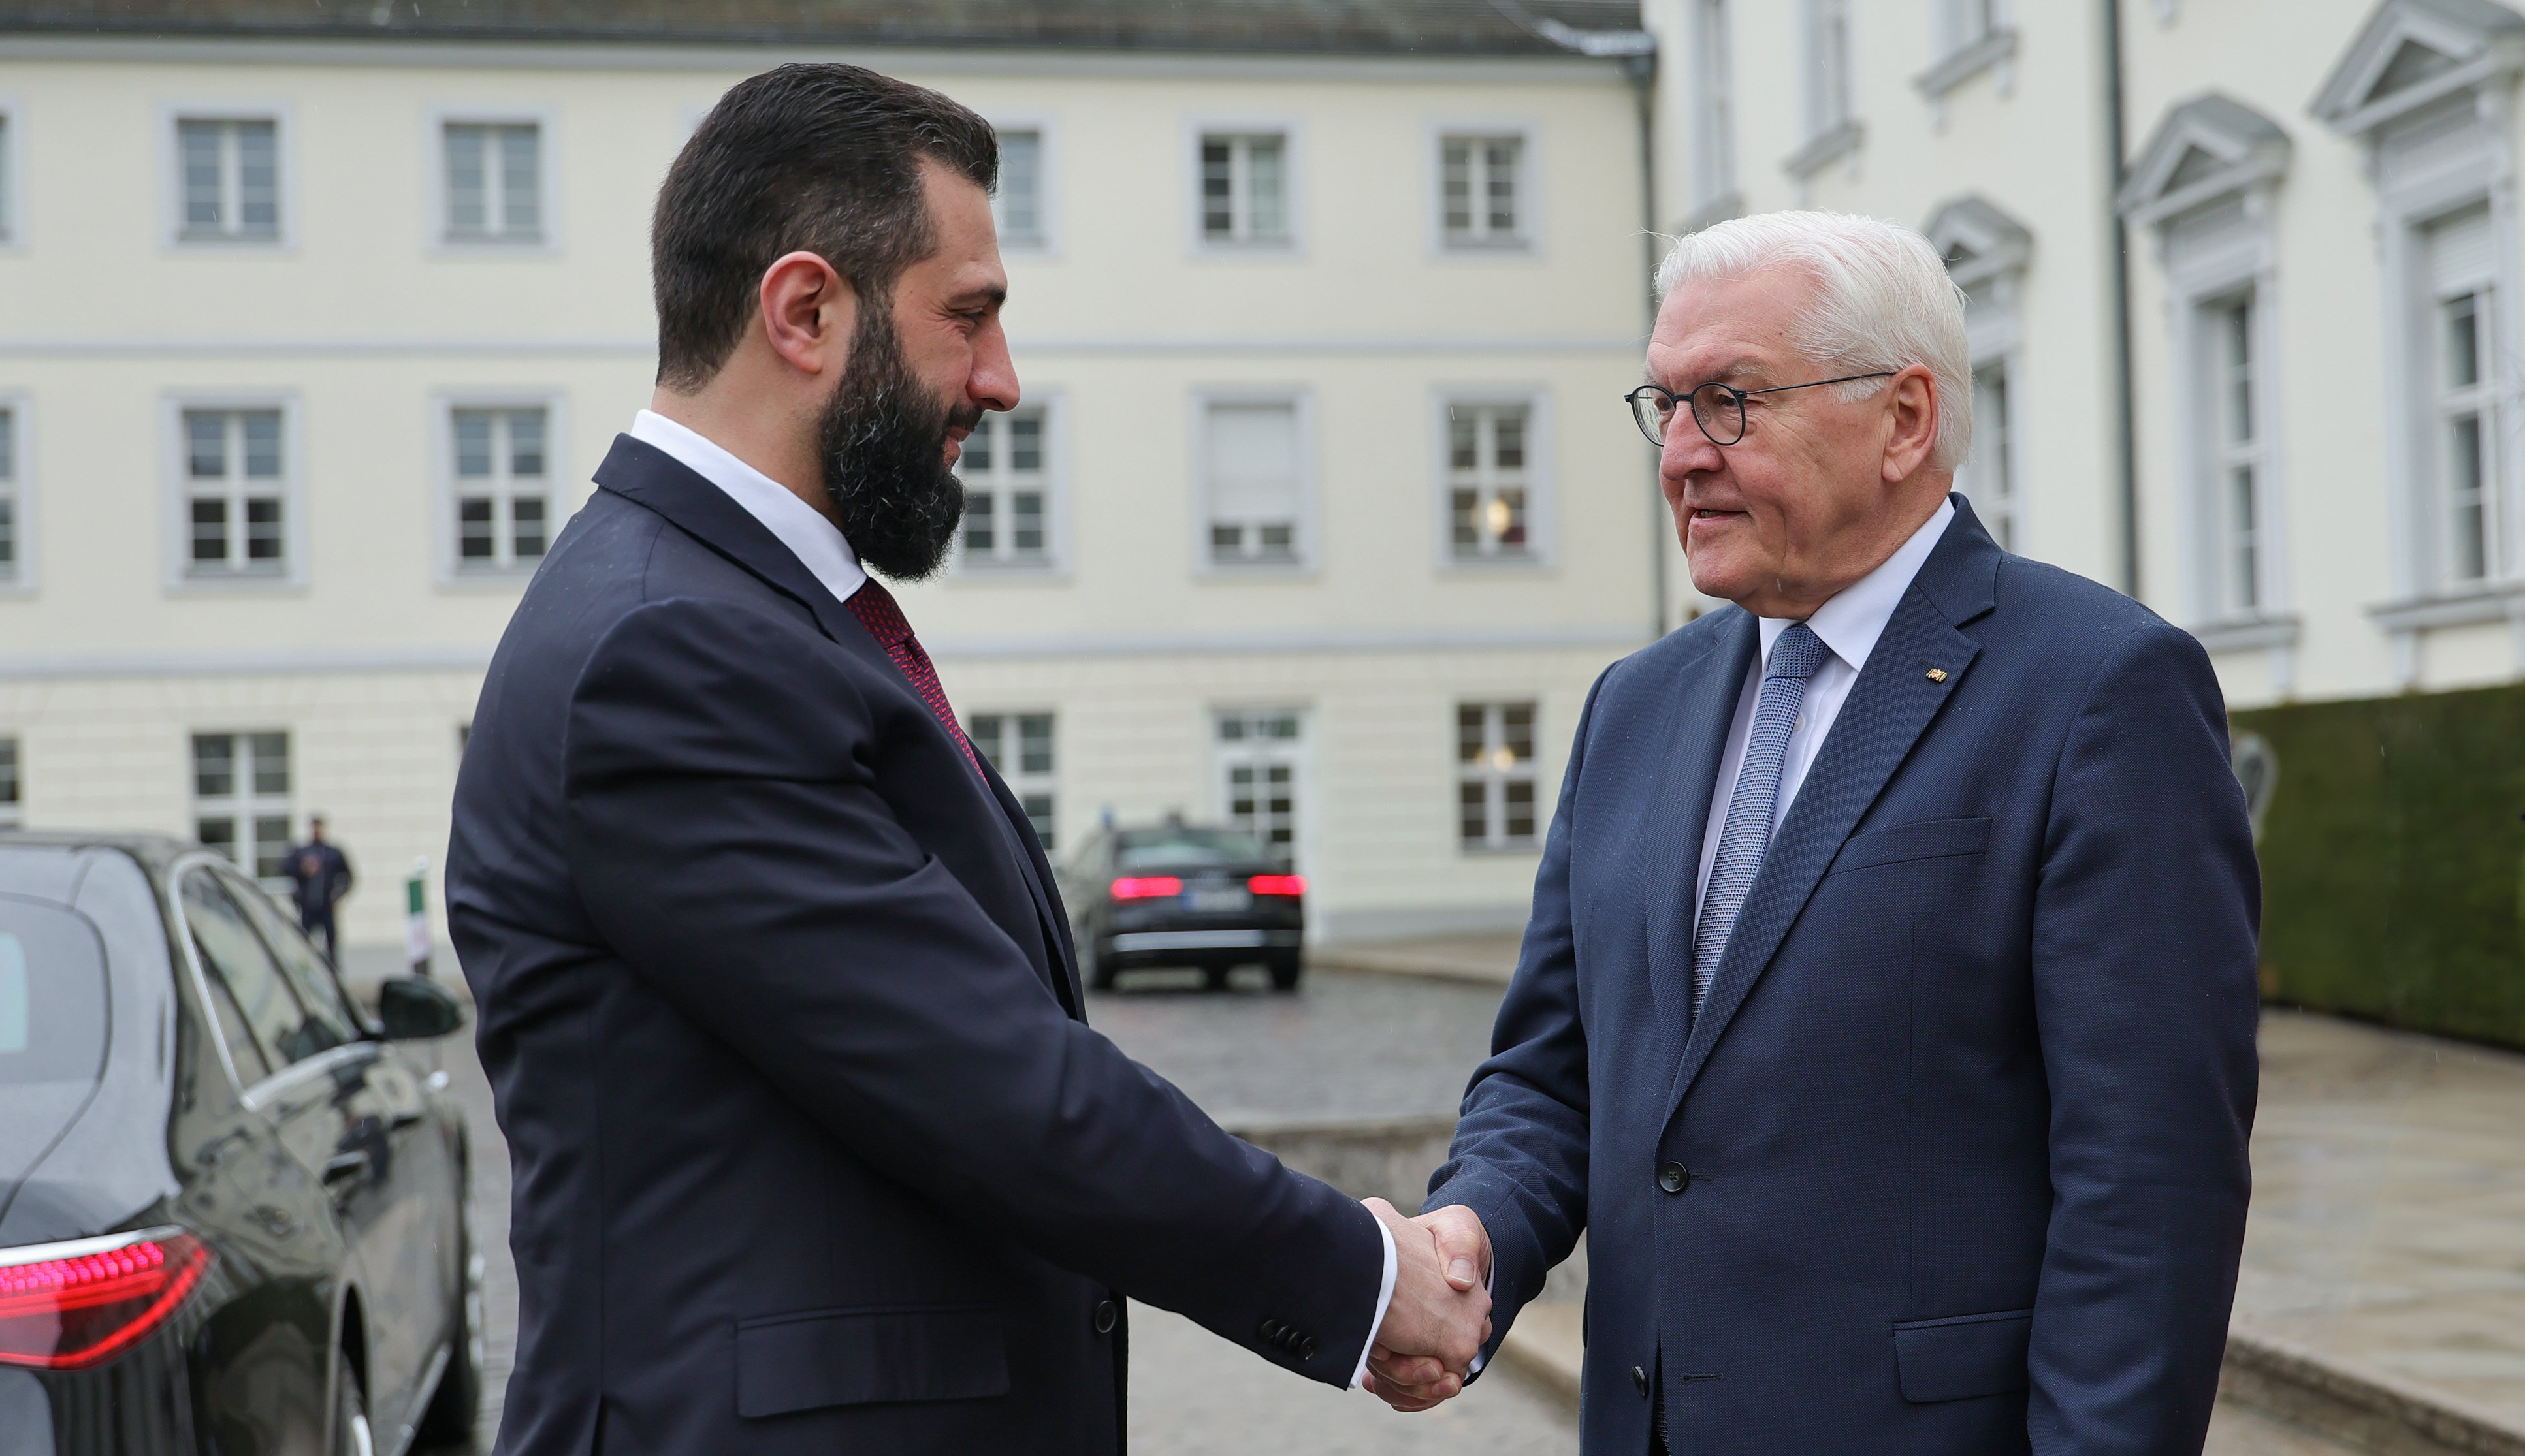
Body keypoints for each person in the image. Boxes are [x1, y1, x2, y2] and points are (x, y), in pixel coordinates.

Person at [445, 64, 1486, 1456]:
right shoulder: (673, 646)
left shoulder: (732, 609)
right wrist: (1361, 1282)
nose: (1000, 381)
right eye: (970, 316)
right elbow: (988, 1078)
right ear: (804, 310)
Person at [1370, 211, 2260, 1453]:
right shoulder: (1635, 705)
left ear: (1902, 419)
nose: (1680, 454)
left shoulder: (2098, 692)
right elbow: (1552, 1073)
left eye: (1728, 401)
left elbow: (2146, 1195)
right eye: (1664, 406)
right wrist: (1471, 1238)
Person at [281, 815, 351, 966]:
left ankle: (333, 972)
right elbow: (286, 869)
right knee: (304, 943)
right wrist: (303, 869)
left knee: (331, 944)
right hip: (307, 907)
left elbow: (348, 877)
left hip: (327, 906)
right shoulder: (302, 852)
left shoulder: (333, 854)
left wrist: (337, 895)